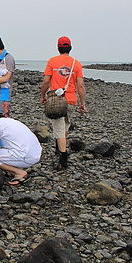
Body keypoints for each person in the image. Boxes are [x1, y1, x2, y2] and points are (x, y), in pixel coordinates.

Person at [40, 36, 86, 170]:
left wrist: (42, 96)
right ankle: (60, 148)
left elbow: (46, 82)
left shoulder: (52, 62)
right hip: (71, 99)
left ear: (58, 48)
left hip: (56, 100)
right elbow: (81, 85)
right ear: (70, 48)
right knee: (65, 126)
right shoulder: (76, 63)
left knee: (59, 129)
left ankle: (63, 159)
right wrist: (83, 103)